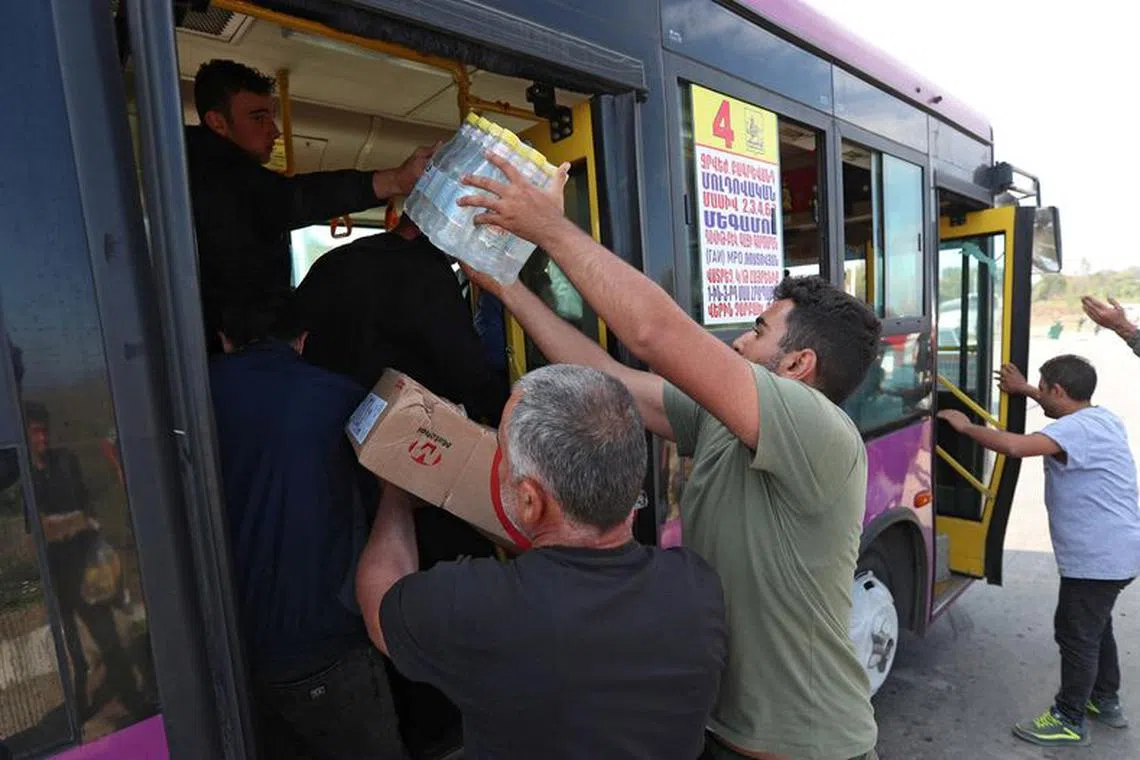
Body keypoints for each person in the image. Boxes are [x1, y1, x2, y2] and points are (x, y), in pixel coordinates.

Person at [457, 154, 882, 759]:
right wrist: (504, 287)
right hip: (716, 731)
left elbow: (653, 333)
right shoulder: (722, 418)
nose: (740, 338)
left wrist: (548, 227)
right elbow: (602, 373)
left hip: (807, 749)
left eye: (758, 331)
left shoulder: (821, 431)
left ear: (797, 364)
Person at [355, 364, 728, 760]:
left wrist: (396, 487)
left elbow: (380, 604)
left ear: (531, 500)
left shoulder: (475, 608)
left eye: (498, 449)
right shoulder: (696, 588)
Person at [208, 294, 406, 759]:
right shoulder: (344, 397)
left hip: (226, 650)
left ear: (224, 340)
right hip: (325, 645)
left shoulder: (188, 398)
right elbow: (384, 496)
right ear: (302, 341)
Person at [938, 356, 1140, 747]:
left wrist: (964, 426)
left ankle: (1069, 718)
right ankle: (1104, 700)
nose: (1040, 395)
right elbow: (1054, 405)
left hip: (1098, 557)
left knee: (1076, 634)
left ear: (1059, 391)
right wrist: (1026, 388)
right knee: (1097, 628)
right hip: (1118, 551)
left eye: (1044, 389)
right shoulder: (1101, 418)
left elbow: (1015, 446)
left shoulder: (1074, 431)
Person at [186, 59, 435, 350]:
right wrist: (396, 180)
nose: (275, 131)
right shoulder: (215, 176)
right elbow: (295, 199)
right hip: (231, 347)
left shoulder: (198, 168)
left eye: (271, 117)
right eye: (258, 118)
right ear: (218, 122)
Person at [294, 214, 508, 426]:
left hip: (318, 418)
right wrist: (504, 411)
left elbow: (296, 339)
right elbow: (465, 368)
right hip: (393, 431)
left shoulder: (333, 261)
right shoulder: (428, 274)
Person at [24, 403, 146, 722]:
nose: (43, 438)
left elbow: (88, 509)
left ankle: (131, 698)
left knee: (108, 638)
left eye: (44, 430)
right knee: (71, 650)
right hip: (55, 576)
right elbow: (37, 529)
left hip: (85, 573)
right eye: (36, 432)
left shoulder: (65, 462)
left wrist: (77, 524)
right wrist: (70, 523)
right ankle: (79, 710)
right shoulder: (25, 478)